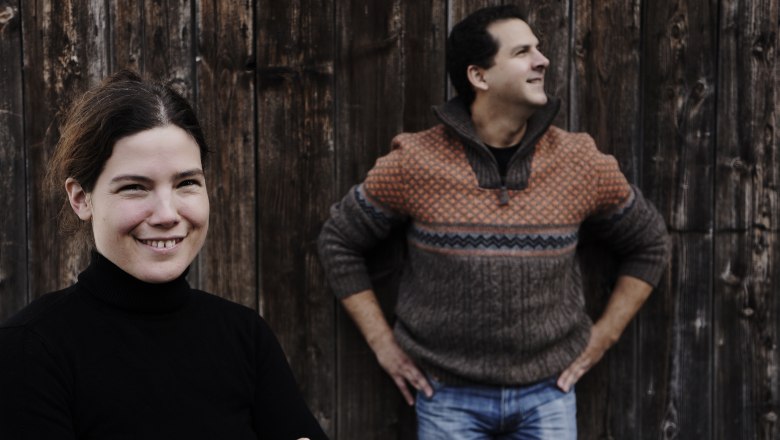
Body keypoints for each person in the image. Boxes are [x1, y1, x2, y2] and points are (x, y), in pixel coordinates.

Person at [318, 5, 669, 439]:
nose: (542, 60)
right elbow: (339, 241)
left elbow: (650, 243)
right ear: (479, 77)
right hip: (447, 397)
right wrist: (381, 343)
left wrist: (604, 337)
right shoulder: (415, 162)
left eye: (539, 49)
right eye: (523, 52)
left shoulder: (579, 162)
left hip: (549, 392)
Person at [0, 70, 327, 440]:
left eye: (186, 183)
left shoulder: (244, 336)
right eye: (135, 187)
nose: (168, 214)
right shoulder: (29, 350)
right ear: (81, 198)